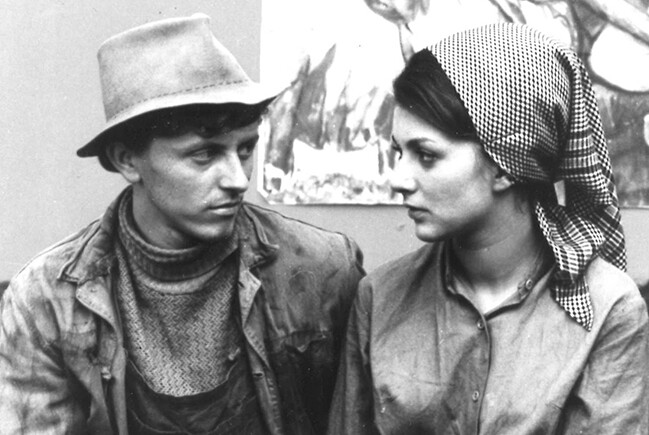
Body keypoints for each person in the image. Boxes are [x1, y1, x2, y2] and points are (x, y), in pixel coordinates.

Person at [0, 13, 364, 434]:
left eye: (245, 149)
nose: (238, 180)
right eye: (204, 154)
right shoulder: (45, 297)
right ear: (126, 160)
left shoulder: (324, 268)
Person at [328, 23, 649, 434]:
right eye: (398, 152)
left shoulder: (609, 309)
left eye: (426, 155)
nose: (398, 179)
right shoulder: (379, 297)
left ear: (504, 165)